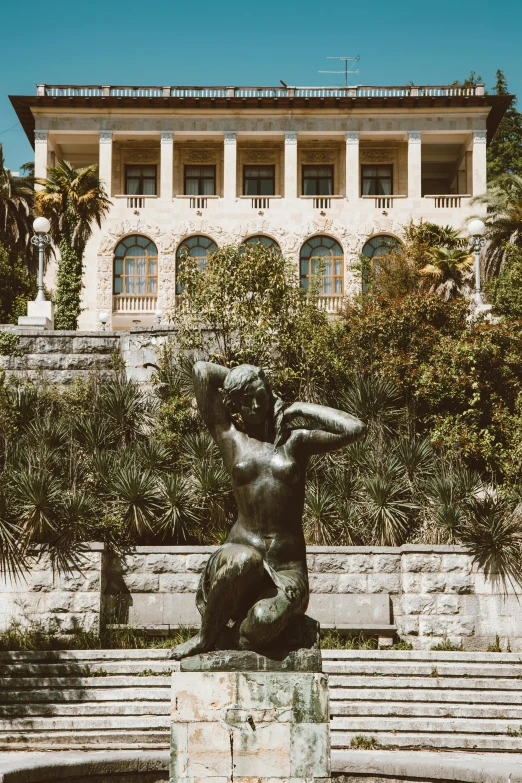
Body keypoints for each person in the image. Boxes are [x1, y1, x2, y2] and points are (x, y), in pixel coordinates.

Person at [169, 361, 365, 659]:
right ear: (234, 404)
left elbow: (355, 428)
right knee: (246, 560)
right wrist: (241, 379)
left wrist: (297, 409)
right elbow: (202, 372)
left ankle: (249, 633)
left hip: (286, 569)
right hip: (238, 555)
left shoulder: (295, 441)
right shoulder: (229, 437)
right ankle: (205, 637)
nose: (256, 404)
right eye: (246, 401)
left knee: (262, 622)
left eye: (261, 394)